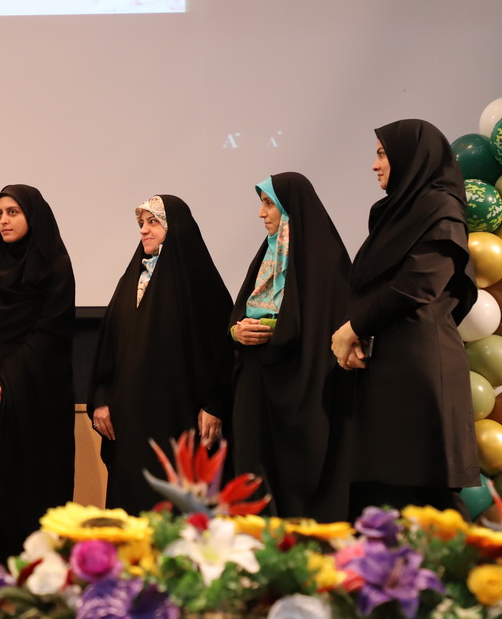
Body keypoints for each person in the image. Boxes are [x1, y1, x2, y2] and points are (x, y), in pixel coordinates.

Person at [330, 119, 479, 517]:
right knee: (380, 497)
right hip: (382, 368)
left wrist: (355, 327)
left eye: (383, 154)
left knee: (426, 496)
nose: (374, 164)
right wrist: (356, 333)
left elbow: (419, 284)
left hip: (420, 371)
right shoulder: (393, 213)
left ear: (412, 157)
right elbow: (368, 284)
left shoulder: (441, 209)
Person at [0, 185, 76, 585]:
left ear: (32, 216)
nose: (3, 220)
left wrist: (5, 383)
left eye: (13, 212)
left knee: (34, 507)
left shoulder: (55, 267)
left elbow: (49, 337)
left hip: (36, 405)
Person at [88, 195, 234, 513]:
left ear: (175, 227)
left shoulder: (200, 282)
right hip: (129, 421)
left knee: (175, 510)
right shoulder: (131, 280)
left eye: (153, 222)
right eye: (142, 223)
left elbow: (219, 351)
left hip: (179, 419)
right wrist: (100, 398)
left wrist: (214, 404)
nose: (144, 230)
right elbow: (109, 347)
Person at [228, 173, 350, 521]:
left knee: (299, 481)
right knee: (253, 471)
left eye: (269, 204)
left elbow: (322, 323)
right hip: (257, 377)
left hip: (303, 384)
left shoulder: (325, 257)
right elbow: (242, 310)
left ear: (290, 207)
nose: (261, 213)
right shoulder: (267, 254)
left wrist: (274, 329)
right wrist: (237, 331)